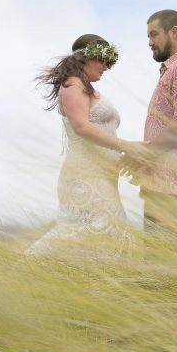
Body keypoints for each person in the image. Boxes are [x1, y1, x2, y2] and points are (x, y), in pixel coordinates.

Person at [25, 34, 139, 259]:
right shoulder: (72, 85)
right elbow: (81, 126)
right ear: (85, 58)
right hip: (85, 174)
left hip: (101, 174)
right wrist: (126, 146)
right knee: (99, 228)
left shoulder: (84, 88)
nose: (106, 66)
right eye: (103, 60)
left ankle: (87, 283)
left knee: (107, 231)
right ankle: (27, 267)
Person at [120, 10, 177, 239]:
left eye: (154, 34)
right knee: (158, 267)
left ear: (174, 32)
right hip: (160, 186)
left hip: (174, 190)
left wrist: (144, 154)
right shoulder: (172, 69)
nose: (149, 42)